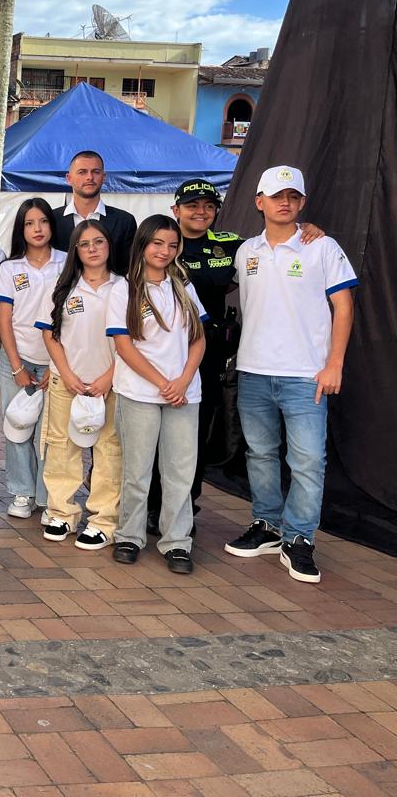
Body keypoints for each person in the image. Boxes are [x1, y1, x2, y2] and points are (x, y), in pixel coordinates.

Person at [147, 178, 326, 535]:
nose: (201, 212)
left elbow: (275, 243)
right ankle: (149, 507)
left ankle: (183, 507)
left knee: (193, 437)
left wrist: (307, 229)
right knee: (148, 435)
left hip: (206, 356)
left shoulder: (232, 247)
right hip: (156, 354)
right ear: (176, 210)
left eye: (209, 206)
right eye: (193, 205)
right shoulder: (159, 243)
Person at [224, 166, 356, 584]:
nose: (285, 203)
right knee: (259, 455)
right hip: (254, 370)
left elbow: (345, 306)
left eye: (293, 196)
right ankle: (267, 524)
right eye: (276, 196)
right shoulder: (246, 251)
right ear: (259, 201)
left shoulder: (322, 247)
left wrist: (334, 363)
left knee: (307, 461)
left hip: (305, 375)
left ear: (301, 202)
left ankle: (299, 539)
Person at [106, 216, 207, 573]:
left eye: (173, 245)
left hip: (184, 394)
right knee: (137, 469)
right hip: (139, 393)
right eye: (158, 243)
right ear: (143, 244)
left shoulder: (183, 286)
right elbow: (124, 345)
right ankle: (129, 536)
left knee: (180, 471)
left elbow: (198, 338)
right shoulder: (125, 288)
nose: (165, 251)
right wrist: (162, 382)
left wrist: (181, 381)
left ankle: (177, 542)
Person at [36, 220, 123, 549]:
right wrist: (67, 374)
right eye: (85, 244)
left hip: (111, 383)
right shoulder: (63, 287)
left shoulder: (123, 287)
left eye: (99, 242)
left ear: (109, 245)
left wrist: (108, 377)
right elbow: (50, 333)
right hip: (66, 382)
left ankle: (103, 519)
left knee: (109, 449)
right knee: (62, 445)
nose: (93, 249)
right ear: (76, 250)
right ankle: (62, 512)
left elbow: (133, 340)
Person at [0, 198, 66, 521]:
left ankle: (47, 495)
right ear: (21, 229)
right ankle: (22, 492)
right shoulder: (10, 268)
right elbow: (4, 321)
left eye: (43, 222)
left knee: (48, 433)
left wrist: (55, 366)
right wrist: (18, 366)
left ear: (52, 226)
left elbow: (69, 318)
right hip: (15, 360)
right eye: (30, 223)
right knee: (18, 427)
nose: (38, 229)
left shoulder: (67, 263)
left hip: (57, 361)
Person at [51, 151, 137, 276]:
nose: (89, 177)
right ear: (69, 179)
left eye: (95, 172)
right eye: (82, 172)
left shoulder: (124, 221)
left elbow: (128, 269)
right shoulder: (51, 220)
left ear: (103, 177)